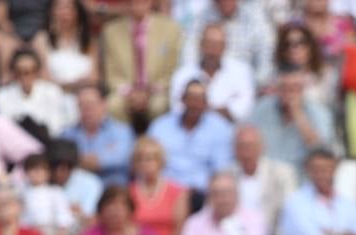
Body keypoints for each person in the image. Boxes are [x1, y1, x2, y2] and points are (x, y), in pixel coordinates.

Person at [99, 0, 182, 129]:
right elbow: (111, 72)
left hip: (157, 89)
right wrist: (130, 92)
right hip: (126, 90)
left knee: (158, 106)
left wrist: (149, 92)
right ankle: (123, 144)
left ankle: (156, 144)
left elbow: (173, 68)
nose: (138, 4)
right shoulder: (111, 30)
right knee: (113, 105)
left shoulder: (170, 28)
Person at [147, 79, 235, 195]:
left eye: (199, 99)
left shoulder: (220, 128)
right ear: (182, 99)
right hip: (166, 193)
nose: (194, 104)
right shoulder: (160, 127)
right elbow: (150, 163)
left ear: (206, 103)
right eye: (191, 98)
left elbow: (221, 169)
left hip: (204, 194)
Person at [247, 66, 336, 173]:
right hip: (267, 176)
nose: (289, 93)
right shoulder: (262, 108)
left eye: (294, 88)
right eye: (284, 88)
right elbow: (245, 137)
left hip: (301, 176)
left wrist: (298, 114)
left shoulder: (318, 112)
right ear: (277, 89)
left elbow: (320, 151)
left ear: (303, 89)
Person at [169, 23, 256, 124]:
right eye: (209, 43)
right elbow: (177, 109)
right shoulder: (182, 74)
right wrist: (219, 111)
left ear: (224, 46)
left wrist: (200, 109)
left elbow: (244, 109)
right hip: (192, 130)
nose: (213, 50)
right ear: (200, 45)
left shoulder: (241, 71)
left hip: (231, 130)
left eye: (218, 44)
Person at [0, 48, 76, 141]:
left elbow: (56, 126)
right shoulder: (2, 95)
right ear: (13, 73)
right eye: (19, 72)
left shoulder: (52, 91)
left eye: (30, 71)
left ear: (37, 72)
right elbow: (5, 130)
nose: (25, 76)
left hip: (47, 144)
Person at [61, 85, 138, 187]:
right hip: (80, 196)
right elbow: (62, 163)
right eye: (82, 105)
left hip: (114, 192)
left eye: (91, 104)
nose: (87, 109)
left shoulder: (122, 131)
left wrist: (86, 161)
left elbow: (124, 158)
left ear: (104, 105)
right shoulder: (67, 134)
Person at [228, 122, 297, 228]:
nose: (247, 152)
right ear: (235, 150)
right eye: (242, 146)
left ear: (262, 147)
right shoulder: (226, 176)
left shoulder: (281, 174)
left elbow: (290, 210)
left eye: (251, 146)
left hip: (272, 234)